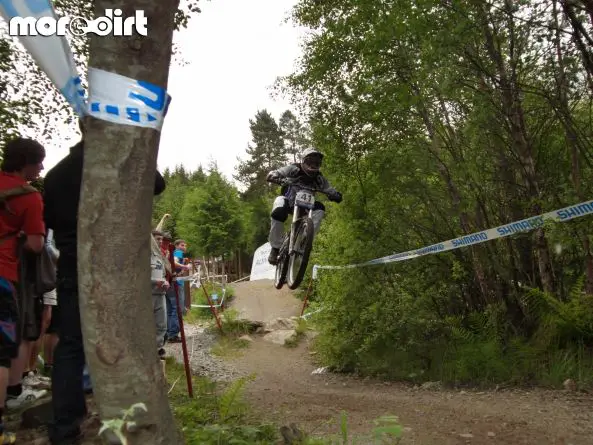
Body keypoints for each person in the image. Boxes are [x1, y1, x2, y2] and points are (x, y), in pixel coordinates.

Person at [43, 120, 166, 445]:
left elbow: (51, 222)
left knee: (70, 346)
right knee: (124, 340)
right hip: (115, 266)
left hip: (73, 265)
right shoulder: (122, 164)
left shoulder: (55, 176)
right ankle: (129, 418)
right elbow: (157, 183)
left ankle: (65, 426)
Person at [0, 137, 48, 443]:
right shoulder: (29, 197)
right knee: (4, 348)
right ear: (26, 163)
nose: (41, 168)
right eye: (38, 162)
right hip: (4, 275)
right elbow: (35, 244)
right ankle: (9, 399)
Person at [266, 148, 343, 265]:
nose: (313, 165)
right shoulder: (294, 169)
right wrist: (274, 175)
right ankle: (275, 248)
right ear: (304, 161)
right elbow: (279, 172)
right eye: (310, 161)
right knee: (278, 209)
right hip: (289, 202)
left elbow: (329, 189)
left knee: (320, 207)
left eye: (316, 163)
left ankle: (305, 240)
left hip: (307, 207)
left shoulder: (319, 178)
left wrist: (335, 195)